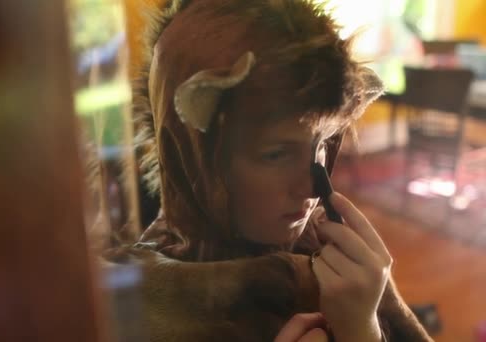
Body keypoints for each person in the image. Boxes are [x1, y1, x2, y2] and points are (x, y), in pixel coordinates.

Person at [104, 0, 433, 341]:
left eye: (322, 145)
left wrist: (362, 327)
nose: (312, 188)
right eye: (276, 154)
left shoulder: (333, 257)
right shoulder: (142, 306)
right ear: (196, 155)